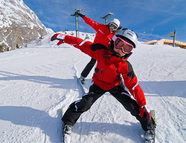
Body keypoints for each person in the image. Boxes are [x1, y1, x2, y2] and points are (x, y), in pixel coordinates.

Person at [51, 28, 156, 141]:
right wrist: (65, 38)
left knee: (132, 105)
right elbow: (81, 44)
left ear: (130, 52)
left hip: (115, 86)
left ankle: (149, 126)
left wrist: (142, 104)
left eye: (126, 48)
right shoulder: (100, 51)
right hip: (98, 84)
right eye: (119, 43)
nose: (120, 49)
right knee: (85, 103)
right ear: (113, 41)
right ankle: (68, 122)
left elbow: (133, 86)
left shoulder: (125, 65)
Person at [75, 12, 121, 84]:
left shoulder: (113, 36)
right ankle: (82, 76)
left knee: (102, 66)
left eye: (115, 27)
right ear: (110, 23)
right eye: (112, 25)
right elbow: (91, 22)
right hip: (96, 48)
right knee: (92, 62)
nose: (112, 28)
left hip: (104, 52)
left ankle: (96, 79)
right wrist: (83, 16)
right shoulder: (101, 27)